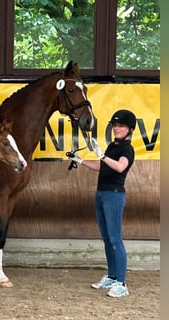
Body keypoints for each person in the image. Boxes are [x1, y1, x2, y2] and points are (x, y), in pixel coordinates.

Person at [67, 109, 136, 298]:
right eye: (114, 125)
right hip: (101, 194)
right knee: (106, 239)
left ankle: (122, 283)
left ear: (129, 129)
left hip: (114, 195)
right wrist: (80, 160)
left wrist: (102, 155)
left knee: (115, 239)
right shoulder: (113, 146)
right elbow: (101, 166)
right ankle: (112, 276)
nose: (116, 128)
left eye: (120, 126)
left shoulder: (126, 149)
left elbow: (120, 166)